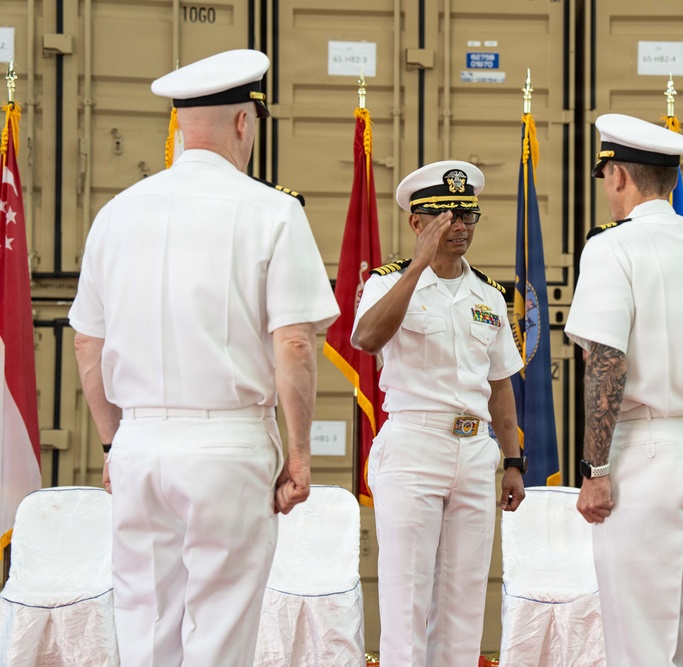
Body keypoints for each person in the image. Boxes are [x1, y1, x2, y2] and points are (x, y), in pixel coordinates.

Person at [69, 49, 339, 667]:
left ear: (182, 125)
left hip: (138, 444)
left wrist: (113, 443)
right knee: (219, 633)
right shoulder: (273, 212)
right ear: (244, 122)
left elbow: (88, 344)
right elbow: (295, 343)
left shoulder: (115, 214)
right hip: (228, 446)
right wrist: (300, 455)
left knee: (145, 629)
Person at [567, 113, 683, 666]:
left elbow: (606, 362)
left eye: (606, 177)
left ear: (619, 176)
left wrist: (595, 470)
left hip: (643, 452)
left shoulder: (612, 248)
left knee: (639, 640)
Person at [351, 160, 526, 666]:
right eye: (446, 217)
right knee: (407, 595)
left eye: (468, 215)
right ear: (417, 223)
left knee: (464, 602)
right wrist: (417, 267)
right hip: (414, 445)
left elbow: (499, 383)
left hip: (475, 452)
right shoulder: (387, 283)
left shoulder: (488, 295)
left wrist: (513, 461)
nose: (460, 227)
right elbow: (366, 339)